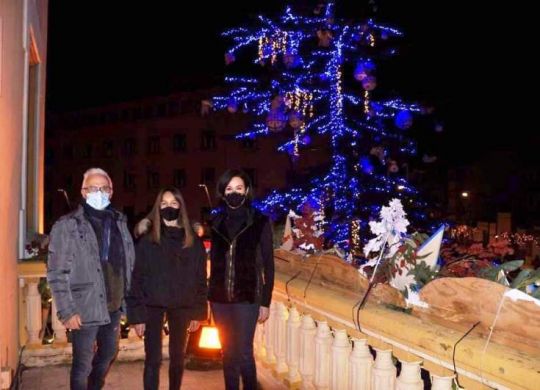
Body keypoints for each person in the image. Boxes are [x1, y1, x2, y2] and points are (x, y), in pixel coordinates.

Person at [47, 168, 135, 390]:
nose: (99, 192)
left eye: (104, 188)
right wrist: (67, 311)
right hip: (84, 307)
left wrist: (129, 300)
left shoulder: (119, 222)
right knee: (82, 366)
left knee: (108, 354)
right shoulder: (67, 225)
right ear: (84, 192)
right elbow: (57, 272)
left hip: (113, 305)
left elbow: (128, 262)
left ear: (111, 191)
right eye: (94, 188)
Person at [127, 187, 208, 390]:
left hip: (182, 306)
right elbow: (136, 278)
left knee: (177, 359)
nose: (169, 207)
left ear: (181, 206)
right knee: (152, 360)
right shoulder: (147, 241)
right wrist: (137, 316)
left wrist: (199, 313)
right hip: (152, 306)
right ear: (157, 207)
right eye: (164, 203)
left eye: (173, 203)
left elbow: (200, 278)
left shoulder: (193, 243)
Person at [208, 169, 274, 390]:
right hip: (219, 298)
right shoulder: (215, 222)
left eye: (238, 188)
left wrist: (265, 301)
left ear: (246, 191)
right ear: (222, 192)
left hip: (247, 297)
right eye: (229, 188)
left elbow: (268, 264)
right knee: (227, 351)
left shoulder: (259, 222)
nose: (234, 192)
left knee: (244, 352)